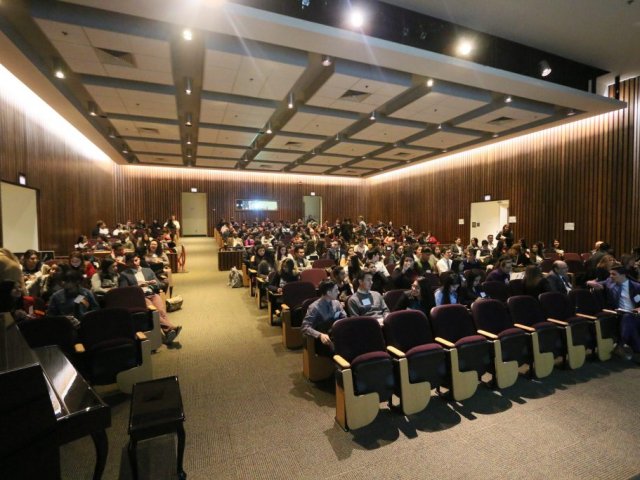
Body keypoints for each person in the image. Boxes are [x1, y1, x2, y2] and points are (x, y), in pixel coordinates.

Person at [119, 253, 181, 343]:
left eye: (136, 260)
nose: (135, 263)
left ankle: (169, 332)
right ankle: (171, 328)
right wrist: (138, 285)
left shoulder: (148, 270)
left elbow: (159, 284)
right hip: (139, 296)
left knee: (161, 311)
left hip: (152, 293)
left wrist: (153, 284)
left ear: (139, 259)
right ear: (127, 263)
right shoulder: (124, 274)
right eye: (131, 261)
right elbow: (124, 290)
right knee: (154, 311)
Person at [587, 264, 640, 362]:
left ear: (623, 275)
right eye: (610, 274)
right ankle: (627, 348)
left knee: (629, 318)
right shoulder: (609, 282)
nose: (611, 276)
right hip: (618, 314)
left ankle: (622, 345)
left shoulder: (636, 286)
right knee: (627, 318)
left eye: (614, 274)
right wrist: (592, 283)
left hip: (636, 315)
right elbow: (591, 282)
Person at [301, 280, 347, 353]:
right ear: (328, 293)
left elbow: (344, 318)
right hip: (323, 338)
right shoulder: (314, 308)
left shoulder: (337, 303)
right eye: (336, 290)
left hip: (337, 333)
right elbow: (305, 327)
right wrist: (320, 335)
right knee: (344, 349)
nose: (338, 292)